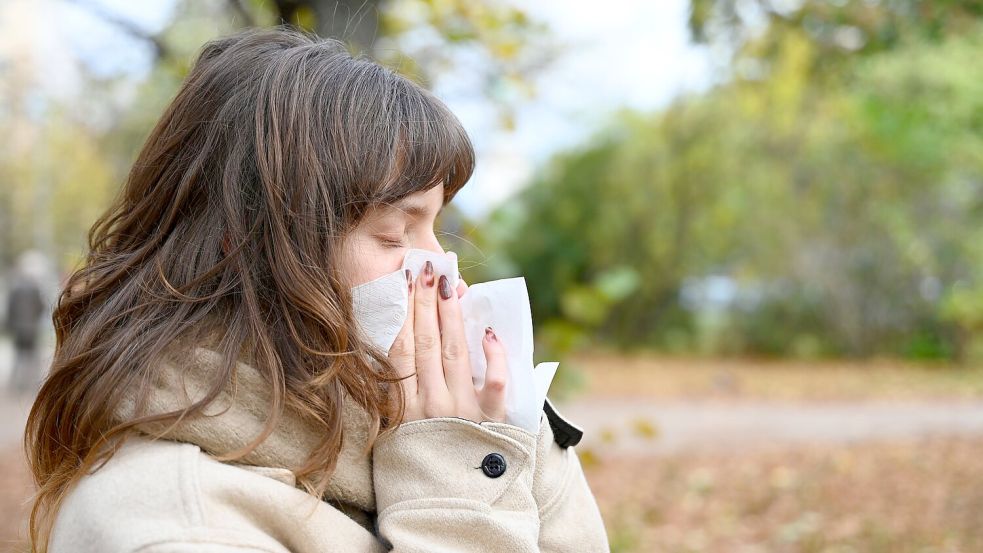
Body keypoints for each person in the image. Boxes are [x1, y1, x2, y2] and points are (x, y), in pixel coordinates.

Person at [24, 25, 609, 553]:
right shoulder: (168, 523)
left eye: (435, 226)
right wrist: (455, 490)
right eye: (394, 233)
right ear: (246, 246)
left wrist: (503, 440)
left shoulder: (477, 416)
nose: (444, 268)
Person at [5, 250, 49, 394]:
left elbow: (10, 308)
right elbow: (42, 306)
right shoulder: (35, 289)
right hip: (32, 328)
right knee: (33, 357)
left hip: (18, 328)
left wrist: (11, 325)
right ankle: (33, 384)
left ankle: (16, 385)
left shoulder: (15, 288)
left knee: (18, 356)